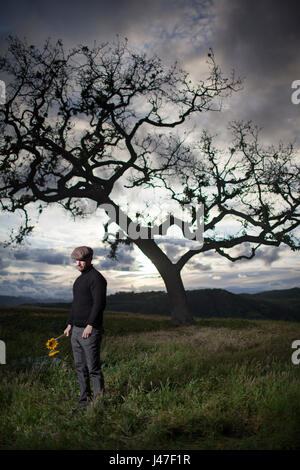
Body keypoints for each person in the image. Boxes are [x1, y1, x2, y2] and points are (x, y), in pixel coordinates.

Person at [64, 246, 107, 412]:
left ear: (90, 259)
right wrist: (69, 323)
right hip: (75, 329)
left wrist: (90, 324)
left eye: (81, 260)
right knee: (80, 367)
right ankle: (84, 401)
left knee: (93, 368)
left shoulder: (97, 279)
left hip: (90, 330)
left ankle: (98, 403)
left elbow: (99, 304)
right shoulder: (79, 280)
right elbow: (76, 305)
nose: (78, 263)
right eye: (76, 260)